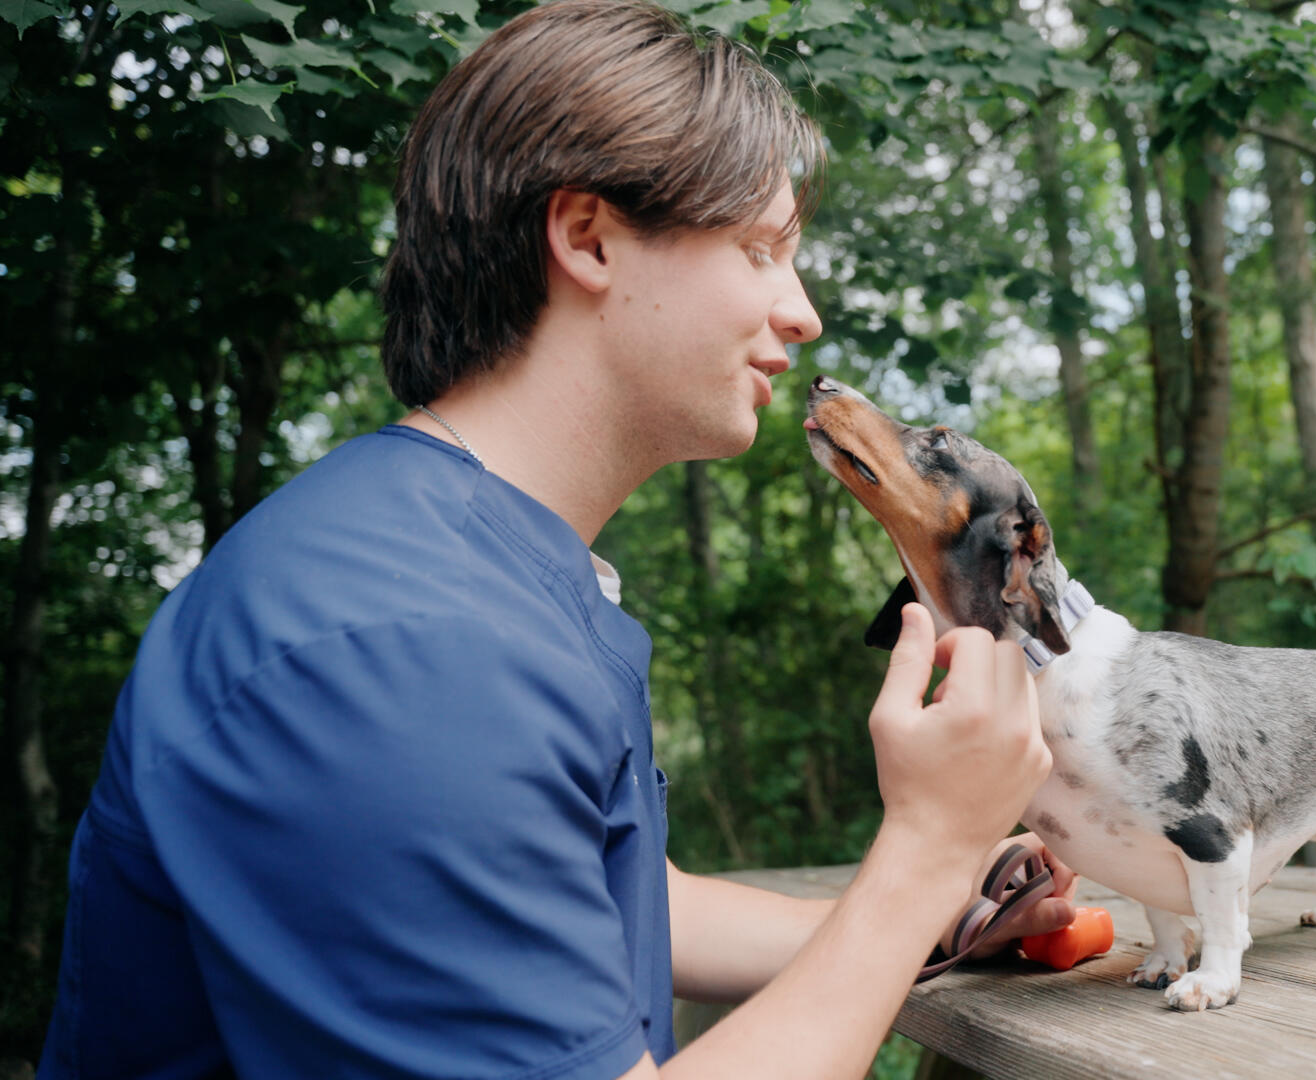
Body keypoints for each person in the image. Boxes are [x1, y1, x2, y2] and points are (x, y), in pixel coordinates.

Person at [36, 1, 1074, 1076]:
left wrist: (944, 911)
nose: (802, 312)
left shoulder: (476, 569)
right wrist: (927, 847)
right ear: (587, 238)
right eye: (762, 249)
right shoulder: (401, 646)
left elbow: (621, 906)